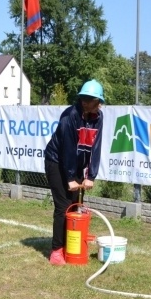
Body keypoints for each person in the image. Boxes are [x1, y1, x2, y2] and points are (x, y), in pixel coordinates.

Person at [43, 79, 105, 265]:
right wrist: (70, 178)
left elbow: (96, 147)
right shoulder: (69, 116)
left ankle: (73, 245)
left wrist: (90, 176)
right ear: (85, 101)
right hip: (56, 161)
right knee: (63, 206)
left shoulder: (98, 117)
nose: (100, 105)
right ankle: (56, 250)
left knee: (76, 205)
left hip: (76, 164)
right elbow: (68, 150)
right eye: (97, 101)